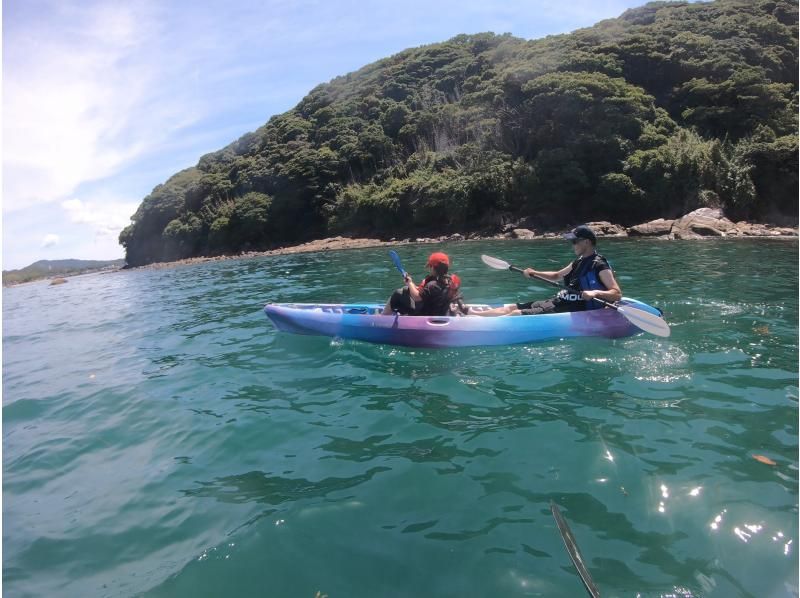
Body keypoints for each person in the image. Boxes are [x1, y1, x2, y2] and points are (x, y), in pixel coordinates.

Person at [475, 225, 622, 316]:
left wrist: (595, 293)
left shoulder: (599, 265)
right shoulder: (578, 261)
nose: (572, 245)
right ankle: (472, 315)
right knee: (512, 307)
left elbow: (616, 294)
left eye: (574, 241)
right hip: (559, 301)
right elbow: (557, 275)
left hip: (573, 308)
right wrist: (534, 272)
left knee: (515, 314)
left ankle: (477, 326)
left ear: (587, 242)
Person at [382, 252, 467, 316]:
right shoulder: (450, 281)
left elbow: (417, 297)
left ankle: (382, 318)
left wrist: (410, 283)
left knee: (399, 293)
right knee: (406, 289)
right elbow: (426, 293)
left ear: (433, 268)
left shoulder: (433, 285)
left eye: (430, 267)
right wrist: (411, 284)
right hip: (442, 312)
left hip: (425, 315)